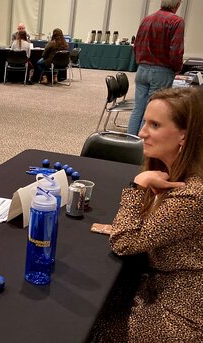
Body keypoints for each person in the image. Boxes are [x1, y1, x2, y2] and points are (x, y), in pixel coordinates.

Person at [92, 87, 203, 342]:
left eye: (154, 125)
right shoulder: (177, 175)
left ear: (183, 137)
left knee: (93, 324)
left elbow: (124, 242)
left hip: (181, 313)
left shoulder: (193, 195)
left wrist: (137, 186)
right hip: (164, 287)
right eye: (145, 122)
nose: (141, 133)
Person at [127, 0, 184, 135]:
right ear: (177, 4)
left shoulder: (146, 19)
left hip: (142, 69)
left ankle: (130, 143)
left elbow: (136, 45)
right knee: (151, 112)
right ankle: (142, 148)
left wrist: (141, 62)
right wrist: (177, 69)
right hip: (161, 72)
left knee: (138, 109)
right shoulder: (177, 22)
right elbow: (176, 51)